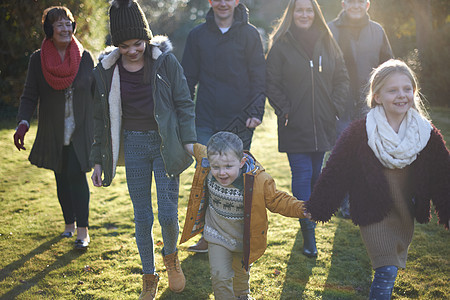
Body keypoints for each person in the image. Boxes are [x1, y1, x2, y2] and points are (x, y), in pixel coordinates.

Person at [305, 59, 450, 299]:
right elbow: (336, 170)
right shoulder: (360, 132)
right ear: (378, 96)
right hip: (373, 210)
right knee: (386, 268)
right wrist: (318, 206)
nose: (401, 95)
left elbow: (443, 176)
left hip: (405, 212)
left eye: (407, 89)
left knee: (390, 269)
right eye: (392, 90)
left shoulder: (426, 133)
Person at [89, 0, 196, 298]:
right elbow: (100, 120)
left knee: (167, 214)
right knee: (142, 217)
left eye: (138, 43)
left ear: (146, 38)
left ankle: (171, 257)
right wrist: (97, 160)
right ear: (116, 45)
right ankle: (149, 276)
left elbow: (185, 103)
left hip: (166, 144)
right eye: (124, 46)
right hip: (133, 144)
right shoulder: (107, 71)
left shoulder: (165, 62)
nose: (133, 50)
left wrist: (188, 140)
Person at [265, 0, 349, 258]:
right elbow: (271, 82)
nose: (304, 14)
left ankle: (306, 219)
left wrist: (334, 106)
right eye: (299, 10)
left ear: (315, 13)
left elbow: (342, 77)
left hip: (324, 122)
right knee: (301, 174)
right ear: (292, 13)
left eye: (308, 9)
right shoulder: (281, 45)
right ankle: (308, 234)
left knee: (316, 175)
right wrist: (285, 109)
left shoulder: (328, 40)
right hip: (295, 123)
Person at [179, 132, 307, 300]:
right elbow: (192, 146)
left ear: (241, 162)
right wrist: (174, 132)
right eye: (216, 167)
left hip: (243, 239)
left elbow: (277, 200)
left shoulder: (258, 180)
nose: (221, 172)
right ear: (209, 161)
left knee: (240, 275)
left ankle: (242, 296)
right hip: (217, 235)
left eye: (228, 167)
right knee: (220, 276)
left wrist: (304, 209)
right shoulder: (207, 159)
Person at [181, 0, 266, 253]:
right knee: (208, 177)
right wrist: (185, 118)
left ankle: (236, 238)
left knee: (236, 179)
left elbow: (259, 75)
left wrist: (255, 111)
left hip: (240, 120)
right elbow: (188, 79)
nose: (222, 3)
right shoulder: (197, 35)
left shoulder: (250, 34)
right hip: (206, 119)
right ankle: (208, 237)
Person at [14, 6, 94, 250]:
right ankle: (68, 225)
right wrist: (23, 122)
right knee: (61, 174)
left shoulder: (85, 57)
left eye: (68, 23)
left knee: (75, 173)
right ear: (49, 29)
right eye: (59, 24)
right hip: (54, 128)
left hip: (80, 127)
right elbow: (30, 94)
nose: (65, 28)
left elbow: (96, 92)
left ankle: (83, 231)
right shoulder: (38, 60)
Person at [328, 0, 394, 218]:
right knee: (343, 154)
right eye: (350, 1)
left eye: (360, 1)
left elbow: (388, 67)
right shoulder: (330, 29)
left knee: (370, 153)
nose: (355, 5)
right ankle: (343, 203)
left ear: (367, 5)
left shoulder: (377, 31)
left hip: (370, 104)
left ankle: (366, 200)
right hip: (339, 104)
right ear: (343, 4)